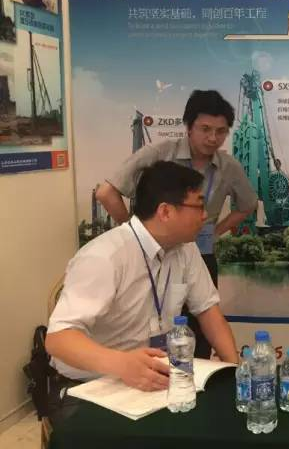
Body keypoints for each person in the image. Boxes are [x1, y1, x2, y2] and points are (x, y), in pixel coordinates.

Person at [46, 161, 239, 424]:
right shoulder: (104, 257)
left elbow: (208, 311)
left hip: (157, 380)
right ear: (166, 211)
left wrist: (234, 372)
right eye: (198, 206)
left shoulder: (186, 249)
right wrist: (121, 364)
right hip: (93, 386)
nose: (205, 215)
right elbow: (58, 339)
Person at [95, 90, 257, 358]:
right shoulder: (159, 153)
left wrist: (215, 231)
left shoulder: (229, 167)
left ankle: (196, 377)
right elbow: (106, 193)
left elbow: (248, 204)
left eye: (220, 131)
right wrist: (136, 236)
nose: (212, 138)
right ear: (188, 127)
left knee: (201, 330)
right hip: (152, 256)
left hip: (200, 254)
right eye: (205, 129)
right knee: (149, 323)